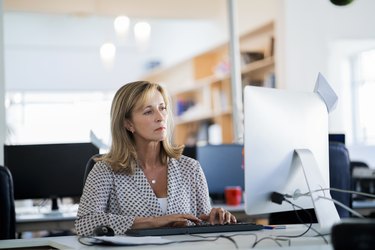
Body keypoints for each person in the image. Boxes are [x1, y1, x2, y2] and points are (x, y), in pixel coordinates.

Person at [75, 81, 237, 236]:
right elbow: (85, 223)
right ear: (128, 124)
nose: (160, 117)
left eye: (162, 108)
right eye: (148, 111)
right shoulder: (105, 170)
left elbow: (203, 223)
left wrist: (215, 218)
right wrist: (152, 222)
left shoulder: (190, 168)